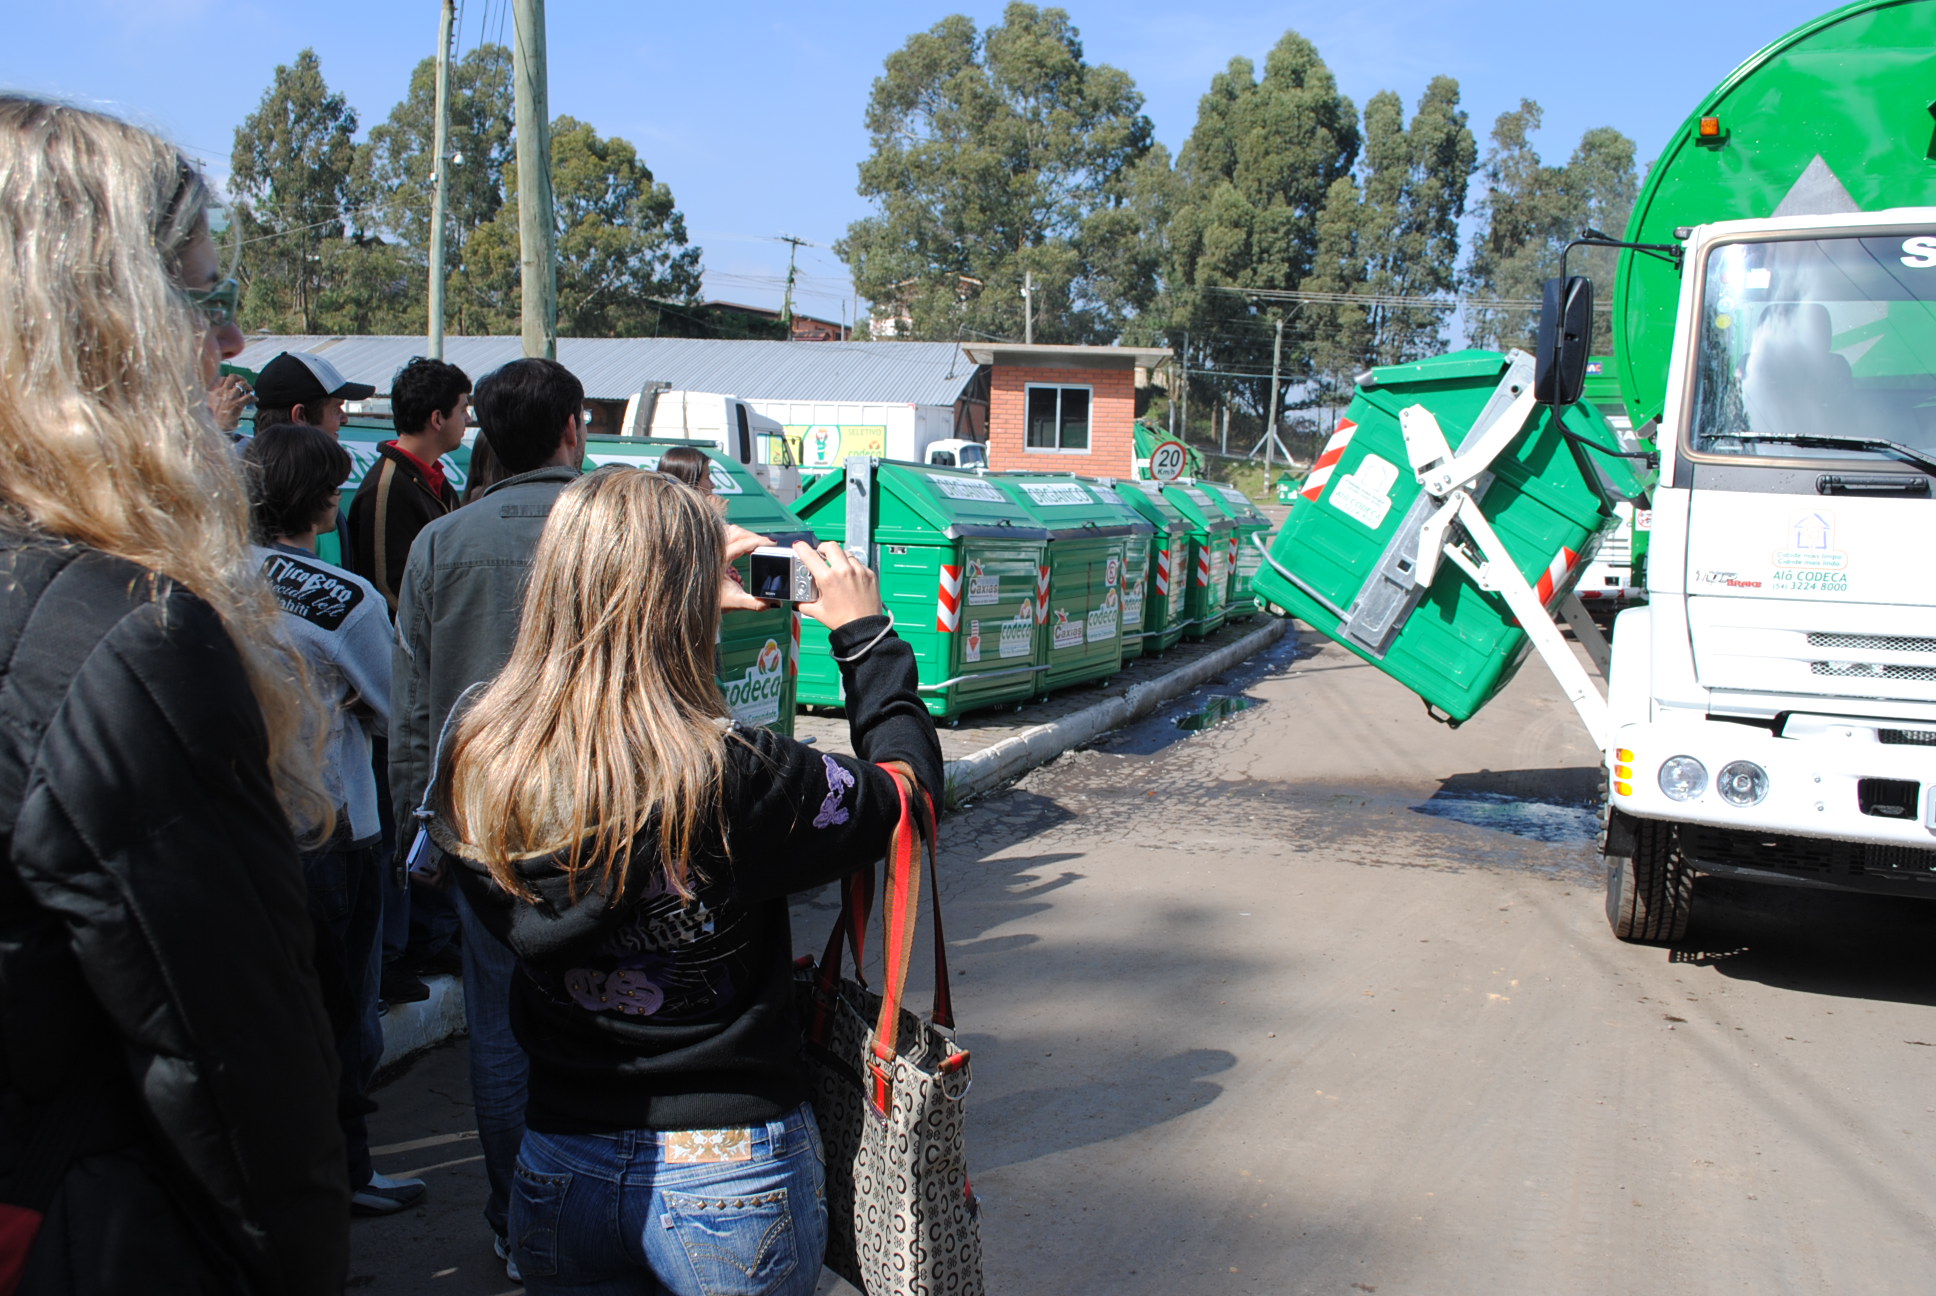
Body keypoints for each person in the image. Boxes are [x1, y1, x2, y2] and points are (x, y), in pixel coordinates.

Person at [430, 468, 942, 1295]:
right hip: (731, 1172)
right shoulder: (735, 772)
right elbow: (906, 799)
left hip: (561, 1158)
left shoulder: (480, 756)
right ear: (682, 601)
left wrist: (688, 589)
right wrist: (867, 639)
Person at [0, 96, 347, 1292]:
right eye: (201, 292)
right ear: (96, 326)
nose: (235, 336)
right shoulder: (120, 635)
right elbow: (232, 1072)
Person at [390, 356, 590, 1279]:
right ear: (571, 429)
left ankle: (519, 1221)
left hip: (478, 827)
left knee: (502, 1032)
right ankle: (603, 1206)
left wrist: (415, 825)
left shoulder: (442, 543)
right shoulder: (610, 536)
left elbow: (416, 710)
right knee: (612, 1014)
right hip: (601, 817)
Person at [243, 423, 427, 1220]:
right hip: (332, 826)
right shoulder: (341, 597)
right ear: (321, 499)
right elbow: (399, 705)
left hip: (240, 827)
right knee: (344, 1016)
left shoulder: (199, 577)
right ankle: (343, 1174)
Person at [348, 356, 471, 613]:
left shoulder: (434, 479)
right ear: (438, 419)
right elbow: (387, 589)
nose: (467, 419)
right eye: (462, 409)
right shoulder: (385, 489)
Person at [252, 350, 374, 436]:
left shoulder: (243, 469)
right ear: (300, 416)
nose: (344, 419)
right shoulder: (304, 472)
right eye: (337, 408)